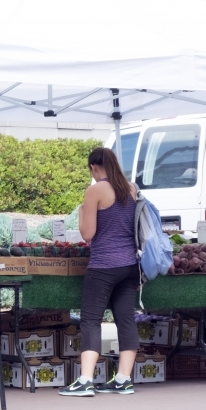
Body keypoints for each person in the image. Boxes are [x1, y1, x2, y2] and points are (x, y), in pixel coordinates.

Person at [60, 147, 139, 397]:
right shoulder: (131, 188)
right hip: (129, 266)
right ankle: (124, 379)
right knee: (126, 320)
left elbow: (87, 234)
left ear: (94, 168)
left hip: (104, 265)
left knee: (91, 320)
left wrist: (84, 211)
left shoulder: (95, 191)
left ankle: (85, 380)